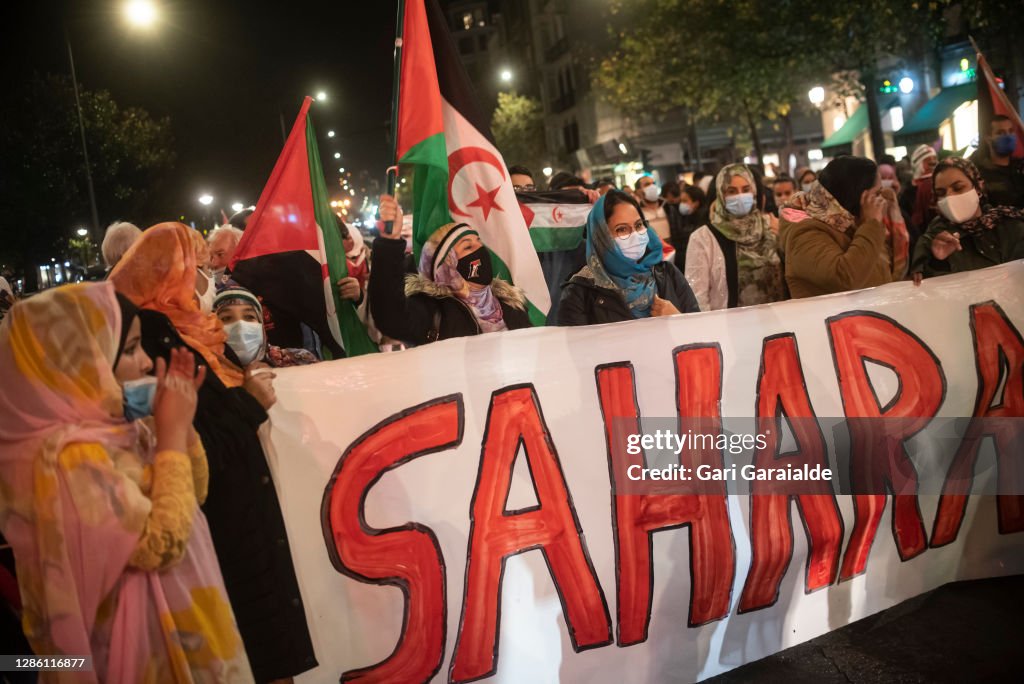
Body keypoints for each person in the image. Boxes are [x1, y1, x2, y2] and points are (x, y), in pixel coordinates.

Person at [0, 282, 253, 682]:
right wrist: (171, 435)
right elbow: (159, 546)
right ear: (82, 362)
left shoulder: (120, 427)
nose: (148, 363)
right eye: (130, 349)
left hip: (183, 629)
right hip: (140, 656)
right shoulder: (68, 459)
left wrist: (180, 430)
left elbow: (193, 496)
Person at [110, 222, 318, 683]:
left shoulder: (192, 335)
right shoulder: (157, 342)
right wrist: (250, 403)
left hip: (240, 533)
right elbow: (195, 443)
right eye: (193, 268)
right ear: (163, 276)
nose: (203, 281)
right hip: (222, 540)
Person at [370, 194, 532, 344]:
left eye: (479, 242)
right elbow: (391, 318)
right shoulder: (431, 309)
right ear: (446, 262)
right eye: (468, 247)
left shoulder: (510, 304)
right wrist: (389, 243)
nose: (480, 249)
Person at [558, 189, 699, 325]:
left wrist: (678, 320)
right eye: (622, 229)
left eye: (638, 225)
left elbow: (699, 333)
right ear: (602, 238)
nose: (635, 235)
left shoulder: (666, 273)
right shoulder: (579, 293)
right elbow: (576, 347)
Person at [779, 155, 906, 298]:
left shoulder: (852, 223)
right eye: (876, 193)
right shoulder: (804, 234)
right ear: (857, 195)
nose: (880, 199)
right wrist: (871, 225)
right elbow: (845, 280)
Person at [684, 164, 784, 310]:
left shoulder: (771, 227)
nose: (740, 196)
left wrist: (785, 235)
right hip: (730, 328)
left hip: (779, 323)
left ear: (754, 191)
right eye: (731, 191)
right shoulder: (703, 238)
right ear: (720, 195)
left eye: (745, 189)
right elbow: (697, 298)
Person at [911, 156, 1024, 282]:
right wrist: (937, 261)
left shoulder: (1009, 226)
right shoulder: (933, 239)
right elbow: (930, 291)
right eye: (941, 193)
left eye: (958, 188)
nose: (949, 196)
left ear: (977, 188)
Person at [215, 285, 319, 368]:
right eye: (226, 318)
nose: (240, 326)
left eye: (249, 317)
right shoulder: (205, 379)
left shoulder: (299, 361)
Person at [973, 115, 1024, 208]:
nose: (1008, 137)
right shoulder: (980, 176)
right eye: (1000, 133)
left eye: (1011, 131)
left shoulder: (1020, 167)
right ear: (988, 138)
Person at [668, 184, 708, 268]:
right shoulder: (687, 217)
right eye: (681, 201)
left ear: (696, 203)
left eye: (685, 201)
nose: (681, 204)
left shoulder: (703, 221)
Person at [909, 145, 939, 238]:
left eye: (934, 159)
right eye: (929, 161)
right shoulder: (908, 191)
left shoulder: (941, 181)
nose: (933, 161)